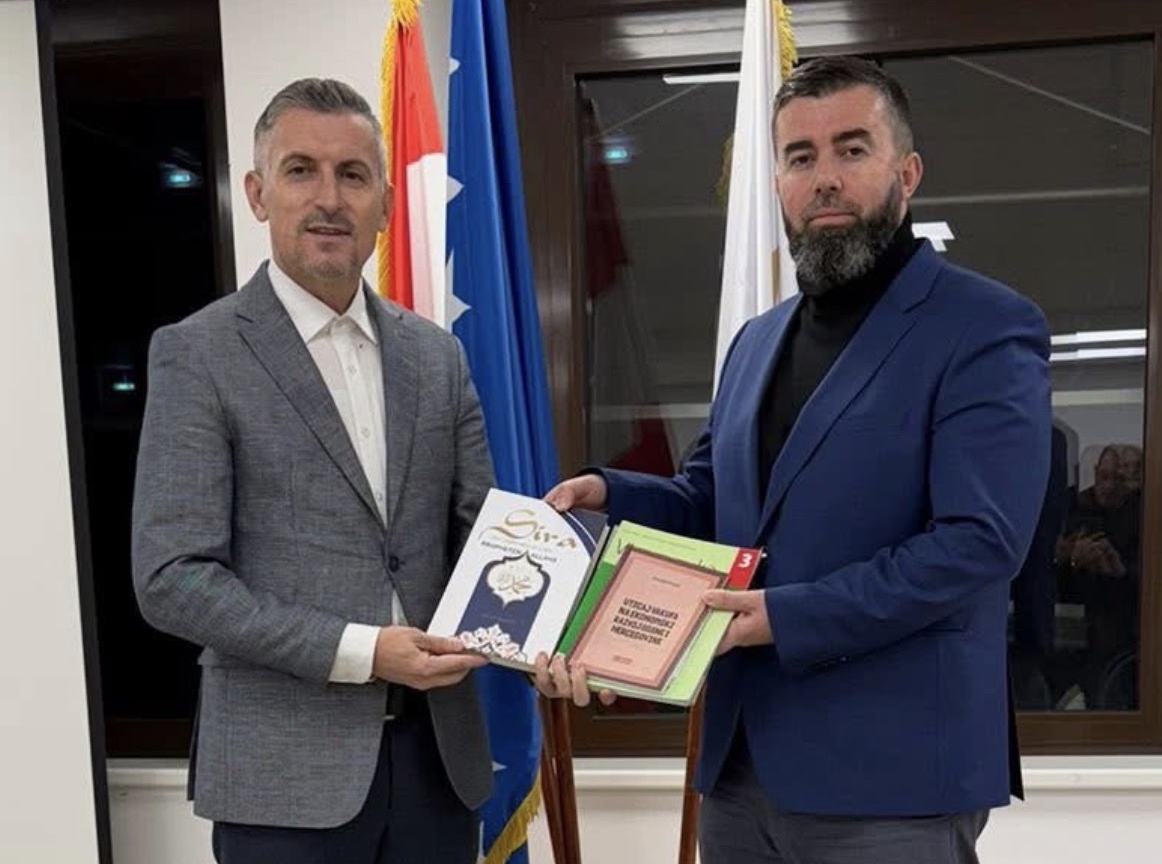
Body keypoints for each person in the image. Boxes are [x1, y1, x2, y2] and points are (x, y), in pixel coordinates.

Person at [537, 55, 1052, 864]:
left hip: (896, 778)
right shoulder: (756, 341)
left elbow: (979, 544)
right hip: (740, 768)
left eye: (852, 149)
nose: (825, 178)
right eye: (801, 157)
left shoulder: (984, 326)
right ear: (778, 182)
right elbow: (713, 502)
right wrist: (610, 494)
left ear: (907, 172)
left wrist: (784, 616)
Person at [132, 78, 493, 864]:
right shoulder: (198, 353)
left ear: (385, 205)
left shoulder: (437, 357)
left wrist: (561, 631)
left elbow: (481, 540)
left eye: (353, 175)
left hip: (438, 769)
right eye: (301, 170)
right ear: (258, 194)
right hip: (281, 782)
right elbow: (172, 578)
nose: (329, 198)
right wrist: (361, 651)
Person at [1054, 442, 1142, 709]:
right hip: (1065, 624)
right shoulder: (1070, 505)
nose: (1109, 486)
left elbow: (1149, 577)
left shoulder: (1143, 514)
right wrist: (1068, 556)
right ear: (1094, 472)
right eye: (1104, 476)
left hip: (1119, 632)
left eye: (1119, 479)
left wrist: (1119, 569)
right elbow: (1044, 560)